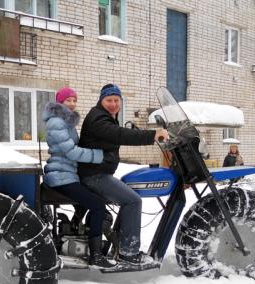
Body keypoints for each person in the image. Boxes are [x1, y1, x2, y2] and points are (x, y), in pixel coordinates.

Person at [78, 84, 169, 266]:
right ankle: (128, 253)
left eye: (116, 100)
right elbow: (119, 135)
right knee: (133, 200)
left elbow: (118, 133)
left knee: (128, 194)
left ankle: (121, 244)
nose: (113, 104)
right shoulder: (98, 118)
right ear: (101, 100)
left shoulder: (105, 117)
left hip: (98, 172)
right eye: (109, 100)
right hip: (94, 175)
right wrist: (153, 135)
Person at [43, 87, 114, 268]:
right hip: (61, 177)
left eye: (75, 100)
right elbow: (71, 152)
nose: (72, 103)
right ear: (60, 102)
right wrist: (99, 156)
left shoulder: (66, 122)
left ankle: (76, 230)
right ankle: (96, 256)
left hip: (66, 174)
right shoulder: (57, 122)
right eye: (69, 100)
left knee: (90, 200)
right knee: (97, 205)